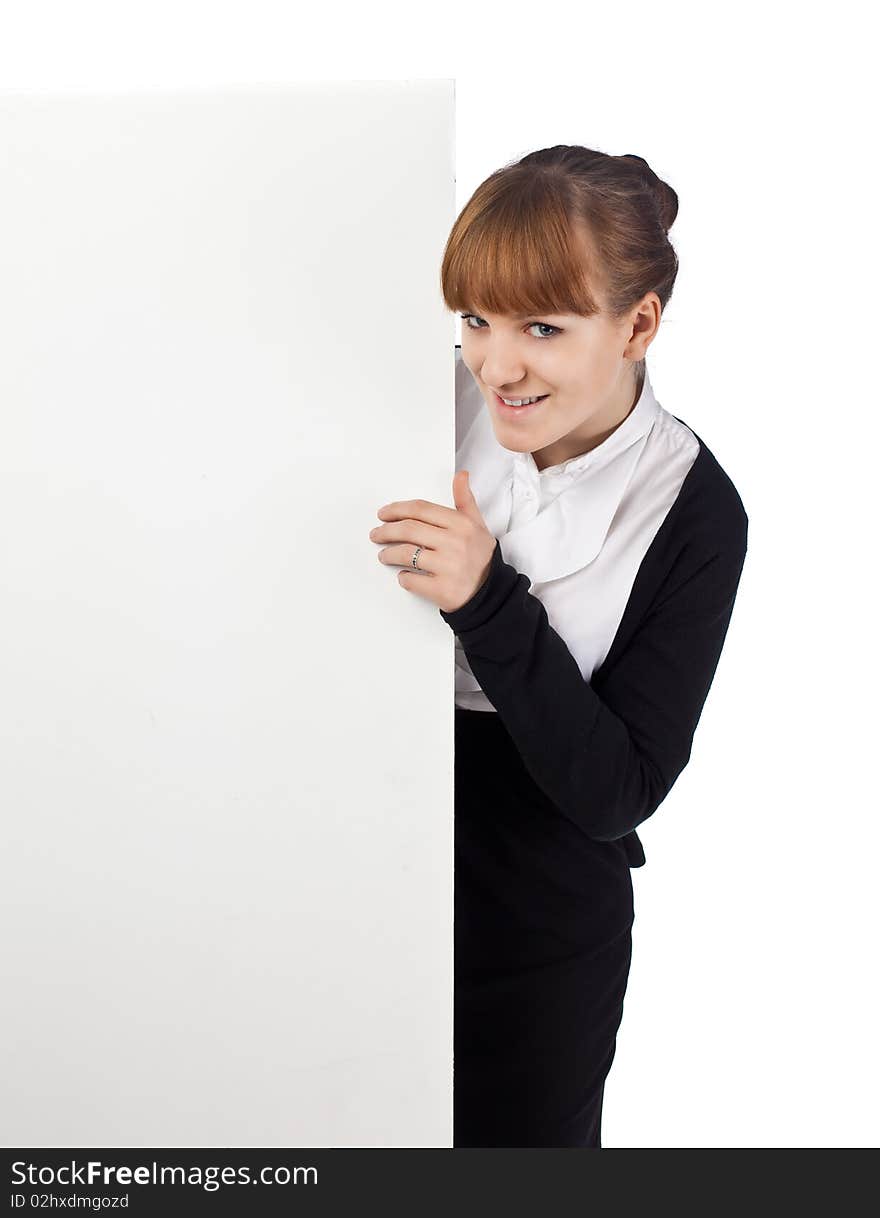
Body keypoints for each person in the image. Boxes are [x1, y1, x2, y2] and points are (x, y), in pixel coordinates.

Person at [368, 145, 748, 1147]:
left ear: (637, 323)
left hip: (535, 936)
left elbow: (619, 786)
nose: (495, 363)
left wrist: (485, 599)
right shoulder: (409, 402)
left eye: (542, 326)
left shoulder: (694, 510)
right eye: (476, 320)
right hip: (349, 871)